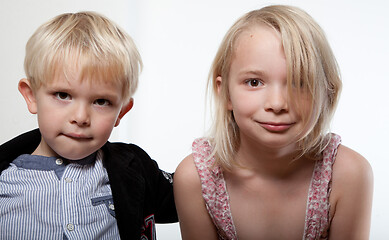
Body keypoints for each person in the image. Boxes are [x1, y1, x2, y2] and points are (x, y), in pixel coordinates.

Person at [174, 5, 373, 240]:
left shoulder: (348, 175)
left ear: (327, 93)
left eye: (299, 82)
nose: (277, 104)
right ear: (225, 93)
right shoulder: (196, 177)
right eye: (254, 82)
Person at [0, 12, 177, 239]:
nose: (81, 117)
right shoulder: (5, 181)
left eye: (101, 101)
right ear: (32, 96)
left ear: (121, 111)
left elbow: (203, 196)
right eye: (63, 95)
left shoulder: (137, 171)